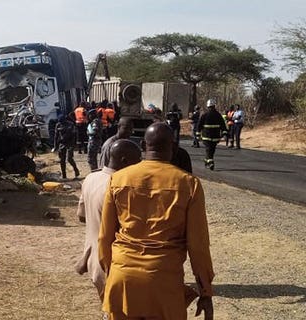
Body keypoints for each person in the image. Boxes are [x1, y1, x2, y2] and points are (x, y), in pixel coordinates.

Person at [99, 123, 214, 320]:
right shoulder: (188, 184)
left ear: (143, 145)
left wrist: (112, 273)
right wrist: (205, 291)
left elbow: (104, 237)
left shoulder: (117, 179)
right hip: (164, 279)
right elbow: (198, 245)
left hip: (123, 275)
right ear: (174, 148)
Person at [75, 139, 142, 301]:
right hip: (113, 265)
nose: (140, 166)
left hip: (93, 262)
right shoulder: (121, 187)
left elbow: (81, 216)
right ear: (125, 161)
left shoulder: (91, 178)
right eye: (138, 161)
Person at [197, 99, 227, 170]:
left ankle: (208, 161)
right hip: (215, 137)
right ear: (214, 106)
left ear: (207, 106)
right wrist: (225, 134)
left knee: (209, 149)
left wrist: (198, 135)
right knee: (211, 150)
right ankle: (209, 161)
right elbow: (223, 125)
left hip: (206, 136)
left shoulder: (204, 115)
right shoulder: (218, 115)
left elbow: (199, 125)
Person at [53, 115, 80, 179]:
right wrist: (55, 146)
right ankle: (64, 175)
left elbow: (75, 134)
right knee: (62, 160)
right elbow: (56, 136)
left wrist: (75, 143)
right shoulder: (58, 125)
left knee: (69, 158)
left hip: (70, 143)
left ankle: (76, 170)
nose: (61, 123)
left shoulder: (70, 124)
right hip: (62, 144)